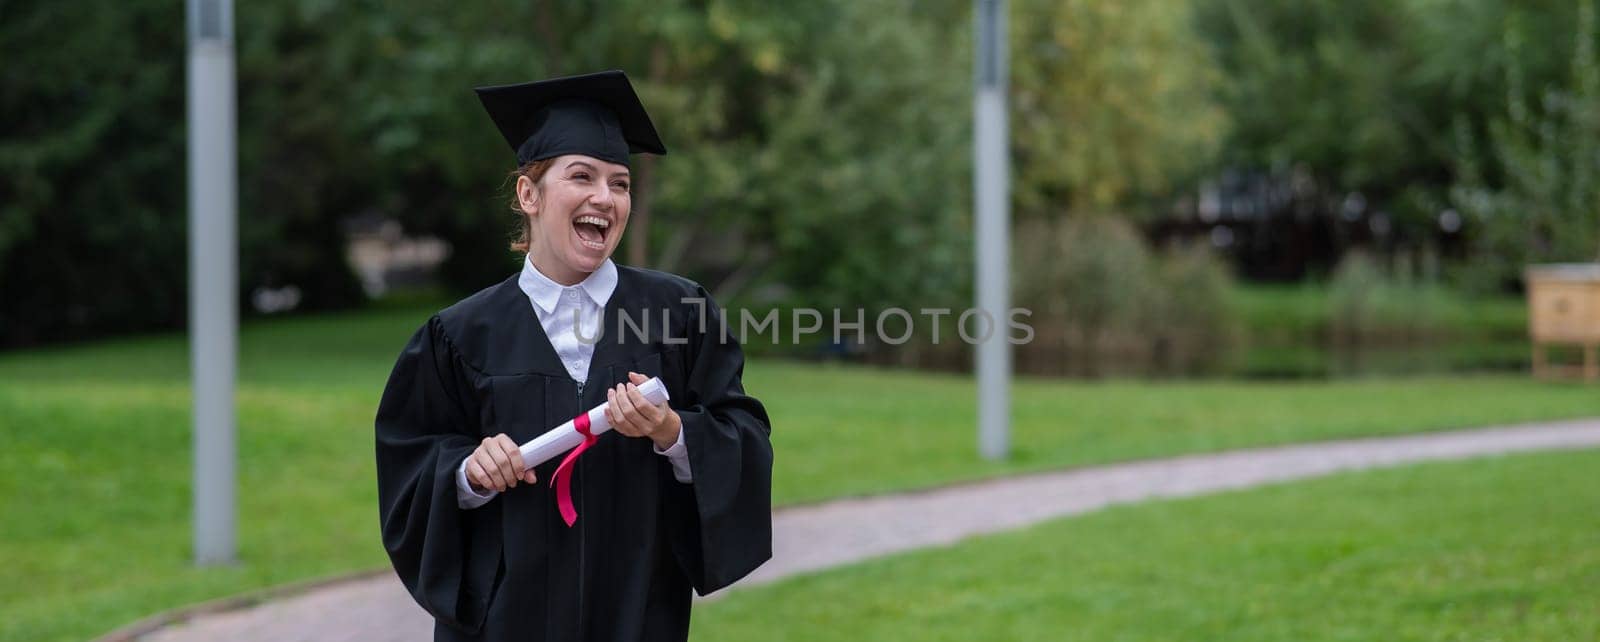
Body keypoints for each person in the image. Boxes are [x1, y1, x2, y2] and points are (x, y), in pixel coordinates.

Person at [375, 70, 773, 642]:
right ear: (528, 194)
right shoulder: (459, 335)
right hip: (505, 622)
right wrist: (468, 472)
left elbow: (745, 437)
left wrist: (671, 432)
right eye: (582, 176)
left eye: (620, 183)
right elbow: (409, 467)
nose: (604, 198)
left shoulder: (680, 313)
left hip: (638, 613)